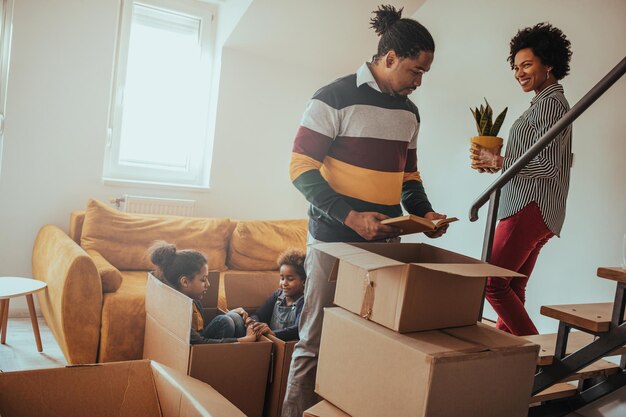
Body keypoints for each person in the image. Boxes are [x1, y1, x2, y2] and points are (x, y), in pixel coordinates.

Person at [283, 5, 447, 416]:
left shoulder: (410, 113)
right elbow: (300, 168)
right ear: (389, 58)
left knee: (370, 341)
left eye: (425, 73)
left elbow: (408, 177)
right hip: (333, 243)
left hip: (384, 245)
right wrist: (352, 217)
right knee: (314, 341)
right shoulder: (332, 97)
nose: (419, 81)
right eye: (415, 70)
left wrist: (425, 215)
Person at [471, 23, 573, 336]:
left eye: (527, 64)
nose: (519, 72)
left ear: (549, 64)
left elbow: (549, 164)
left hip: (528, 207)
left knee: (491, 282)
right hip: (538, 209)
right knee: (512, 288)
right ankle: (510, 359)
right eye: (516, 67)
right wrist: (502, 163)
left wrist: (501, 161)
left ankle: (531, 352)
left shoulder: (552, 104)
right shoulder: (545, 103)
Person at [149, 240, 258, 344]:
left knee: (234, 317)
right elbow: (199, 342)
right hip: (196, 352)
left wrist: (231, 312)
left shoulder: (193, 300)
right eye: (203, 279)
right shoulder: (176, 310)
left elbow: (202, 330)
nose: (208, 284)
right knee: (225, 321)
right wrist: (244, 340)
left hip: (201, 342)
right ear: (185, 282)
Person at [232, 249, 306, 341]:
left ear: (303, 282)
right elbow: (259, 314)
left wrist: (273, 333)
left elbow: (297, 329)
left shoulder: (303, 303)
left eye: (290, 279)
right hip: (268, 342)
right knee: (235, 317)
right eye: (282, 278)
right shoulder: (277, 295)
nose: (284, 283)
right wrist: (254, 322)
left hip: (284, 346)